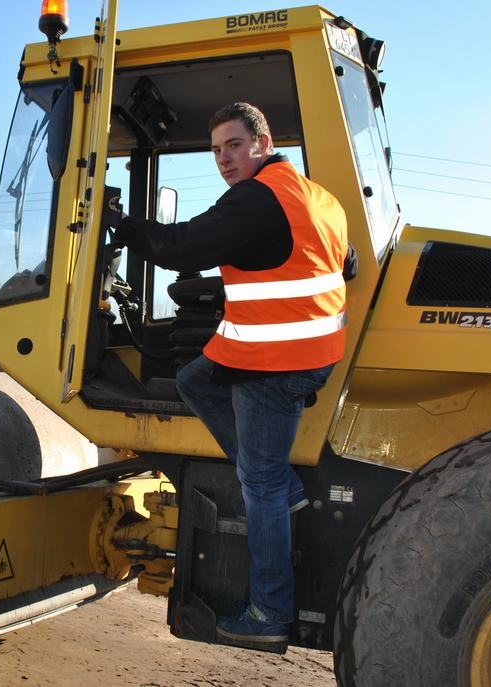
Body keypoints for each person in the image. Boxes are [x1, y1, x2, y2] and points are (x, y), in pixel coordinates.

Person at [111, 102, 356, 653]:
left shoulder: (255, 199)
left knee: (260, 485)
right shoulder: (316, 197)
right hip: (308, 351)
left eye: (234, 146)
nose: (224, 158)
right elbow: (347, 262)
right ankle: (279, 489)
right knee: (195, 381)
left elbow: (182, 249)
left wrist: (127, 228)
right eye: (217, 150)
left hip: (273, 365)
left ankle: (269, 612)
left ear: (262, 144)